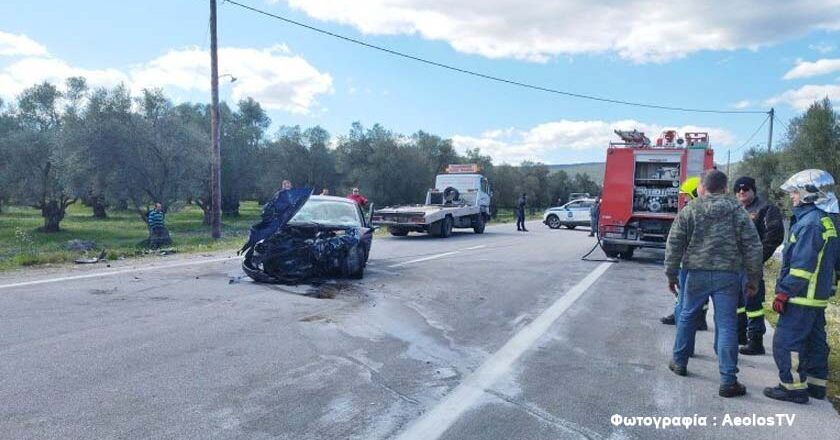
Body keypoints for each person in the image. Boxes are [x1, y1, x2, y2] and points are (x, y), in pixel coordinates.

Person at [665, 170, 763, 398]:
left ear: (702, 187)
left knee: (688, 315)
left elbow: (674, 243)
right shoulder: (737, 211)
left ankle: (679, 361)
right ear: (724, 188)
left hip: (695, 274)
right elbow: (753, 246)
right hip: (728, 276)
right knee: (727, 324)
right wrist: (753, 278)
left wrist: (671, 275)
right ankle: (728, 380)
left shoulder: (691, 209)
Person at [764, 169, 839, 404]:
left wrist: (784, 292)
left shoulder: (810, 224)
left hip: (801, 296)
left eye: (795, 193)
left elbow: (802, 266)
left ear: (809, 194)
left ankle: (793, 388)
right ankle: (816, 386)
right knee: (816, 342)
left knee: (787, 342)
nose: (792, 197)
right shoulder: (827, 220)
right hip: (817, 296)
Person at [732, 176, 785, 356]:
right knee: (738, 302)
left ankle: (756, 341)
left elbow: (774, 236)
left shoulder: (766, 208)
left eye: (745, 188)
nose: (741, 192)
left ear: (753, 190)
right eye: (738, 189)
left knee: (752, 302)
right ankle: (740, 335)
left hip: (751, 266)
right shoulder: (736, 209)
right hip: (735, 265)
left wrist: (757, 258)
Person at [661, 177, 709, 332]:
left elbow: (675, 243)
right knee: (691, 295)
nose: (686, 199)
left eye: (687, 195)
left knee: (685, 299)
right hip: (705, 265)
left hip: (690, 264)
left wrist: (671, 271)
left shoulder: (691, 212)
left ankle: (687, 323)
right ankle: (697, 319)